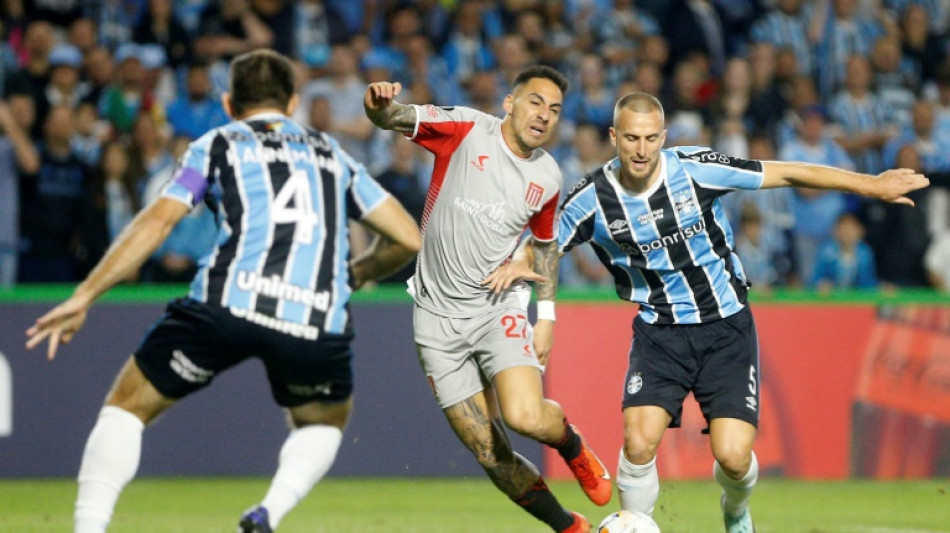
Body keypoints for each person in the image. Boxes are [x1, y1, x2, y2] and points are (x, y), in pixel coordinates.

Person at [25, 49, 422, 533]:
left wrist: (85, 295)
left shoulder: (215, 144)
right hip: (315, 317)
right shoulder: (332, 154)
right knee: (322, 423)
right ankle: (266, 513)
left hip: (228, 303)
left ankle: (89, 528)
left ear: (230, 104)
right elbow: (407, 237)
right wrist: (353, 275)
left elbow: (160, 217)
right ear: (293, 102)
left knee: (126, 407)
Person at [502, 92, 929, 533]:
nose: (642, 149)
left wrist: (871, 184)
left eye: (651, 138)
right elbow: (543, 246)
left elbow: (785, 171)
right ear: (614, 137)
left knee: (733, 455)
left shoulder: (694, 168)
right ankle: (638, 523)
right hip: (659, 332)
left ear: (663, 137)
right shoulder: (591, 199)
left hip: (726, 327)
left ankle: (736, 510)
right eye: (631, 138)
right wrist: (516, 276)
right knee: (638, 438)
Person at [363, 66, 610, 533]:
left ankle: (571, 443)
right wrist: (378, 106)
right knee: (488, 452)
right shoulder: (466, 129)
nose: (544, 115)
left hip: (496, 309)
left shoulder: (548, 176)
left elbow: (545, 243)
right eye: (536, 102)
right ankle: (568, 526)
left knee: (524, 418)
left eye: (555, 110)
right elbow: (393, 117)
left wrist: (547, 316)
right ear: (510, 104)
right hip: (435, 321)